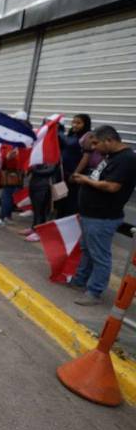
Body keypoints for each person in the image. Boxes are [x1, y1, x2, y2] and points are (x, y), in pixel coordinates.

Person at [70, 126, 136, 306]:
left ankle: (94, 291)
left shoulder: (126, 159)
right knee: (87, 250)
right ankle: (80, 280)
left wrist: (85, 180)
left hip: (102, 217)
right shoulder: (112, 157)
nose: (94, 148)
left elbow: (112, 186)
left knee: (99, 255)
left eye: (96, 143)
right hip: (91, 214)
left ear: (109, 140)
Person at [56, 114, 92, 218]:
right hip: (63, 173)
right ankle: (57, 223)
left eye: (78, 123)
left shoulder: (88, 136)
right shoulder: (71, 134)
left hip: (73, 176)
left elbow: (86, 157)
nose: (75, 125)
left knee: (70, 203)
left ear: (85, 124)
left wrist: (76, 173)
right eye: (73, 122)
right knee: (60, 199)